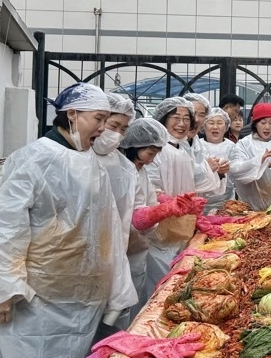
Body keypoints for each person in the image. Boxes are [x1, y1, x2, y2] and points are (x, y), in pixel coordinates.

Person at [0, 83, 137, 358]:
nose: (103, 128)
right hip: (35, 298)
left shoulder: (91, 161)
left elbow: (109, 226)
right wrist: (5, 287)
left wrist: (115, 287)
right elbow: (5, 228)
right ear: (73, 115)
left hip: (82, 296)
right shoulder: (33, 158)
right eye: (99, 119)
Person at [120, 118, 203, 314]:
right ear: (135, 146)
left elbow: (150, 197)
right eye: (151, 152)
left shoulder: (140, 170)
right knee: (121, 309)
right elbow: (135, 217)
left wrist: (174, 201)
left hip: (137, 249)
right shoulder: (123, 171)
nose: (153, 159)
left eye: (156, 153)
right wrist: (167, 209)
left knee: (135, 304)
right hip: (124, 249)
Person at [145, 97, 216, 298]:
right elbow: (149, 189)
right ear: (163, 119)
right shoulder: (156, 149)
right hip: (159, 233)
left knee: (176, 283)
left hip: (182, 227)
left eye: (187, 118)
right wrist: (169, 203)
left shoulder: (182, 148)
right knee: (158, 288)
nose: (182, 123)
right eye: (176, 118)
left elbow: (193, 178)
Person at [91, 92, 138, 332]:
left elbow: (124, 211)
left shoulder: (123, 165)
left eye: (123, 128)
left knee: (104, 326)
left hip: (113, 249)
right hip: (78, 256)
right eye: (113, 125)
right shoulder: (75, 158)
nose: (117, 134)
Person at [229, 102, 271, 210]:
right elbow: (236, 170)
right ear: (255, 123)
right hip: (250, 209)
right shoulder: (244, 144)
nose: (267, 127)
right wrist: (259, 160)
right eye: (263, 123)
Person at [183, 93, 224, 192]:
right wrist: (206, 168)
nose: (196, 119)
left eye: (201, 115)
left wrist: (219, 172)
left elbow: (201, 182)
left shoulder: (197, 144)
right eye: (192, 113)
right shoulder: (169, 145)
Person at [200, 107, 236, 214]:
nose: (215, 127)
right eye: (211, 122)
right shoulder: (197, 146)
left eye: (219, 123)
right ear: (204, 126)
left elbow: (238, 173)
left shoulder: (232, 147)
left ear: (226, 127)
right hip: (200, 204)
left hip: (227, 204)